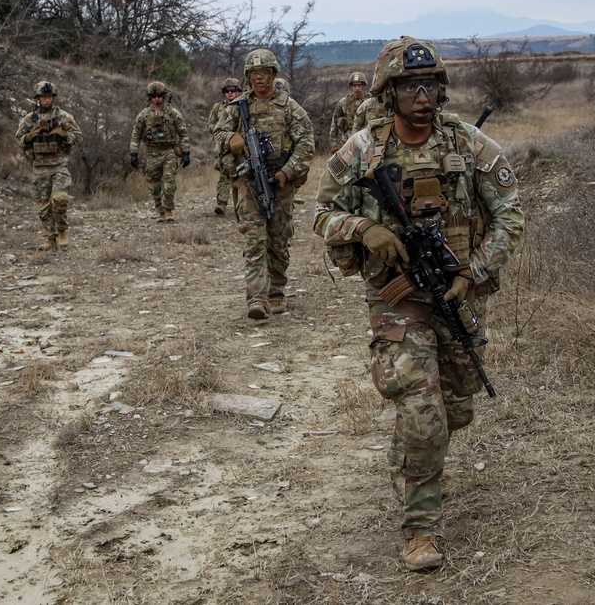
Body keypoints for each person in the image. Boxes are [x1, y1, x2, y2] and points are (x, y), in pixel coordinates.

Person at [313, 37, 523, 571]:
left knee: (456, 409)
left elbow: (509, 215)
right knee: (422, 408)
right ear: (388, 92)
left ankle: (408, 454)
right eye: (411, 87)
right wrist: (364, 229)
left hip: (456, 294)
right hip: (397, 299)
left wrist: (473, 272)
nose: (423, 96)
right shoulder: (362, 149)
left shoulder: (469, 144)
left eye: (431, 86)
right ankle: (420, 530)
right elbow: (321, 216)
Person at [213, 48, 315, 319]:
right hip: (249, 183)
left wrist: (287, 172)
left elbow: (306, 143)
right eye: (254, 74)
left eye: (265, 73)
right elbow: (218, 135)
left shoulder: (289, 107)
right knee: (254, 240)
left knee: (279, 239)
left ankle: (276, 291)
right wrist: (231, 140)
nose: (259, 79)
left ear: (273, 74)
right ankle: (256, 298)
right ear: (248, 76)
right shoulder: (237, 107)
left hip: (280, 183)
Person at [16, 80, 83, 250]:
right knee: (43, 208)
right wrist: (29, 137)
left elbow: (78, 136)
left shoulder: (63, 117)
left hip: (59, 165)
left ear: (53, 97)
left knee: (59, 199)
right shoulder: (29, 120)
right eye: (43, 96)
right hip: (39, 167)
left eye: (49, 96)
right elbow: (19, 139)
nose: (46, 99)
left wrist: (64, 135)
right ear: (38, 98)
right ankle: (50, 239)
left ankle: (62, 232)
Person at [130, 81, 190, 223]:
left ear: (164, 96)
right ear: (150, 97)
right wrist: (133, 153)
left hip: (169, 151)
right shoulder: (144, 115)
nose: (157, 99)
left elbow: (183, 132)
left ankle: (168, 210)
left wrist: (186, 152)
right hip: (152, 153)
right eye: (154, 96)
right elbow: (136, 134)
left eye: (160, 96)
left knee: (169, 180)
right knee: (154, 185)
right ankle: (160, 211)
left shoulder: (173, 113)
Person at [208, 77, 243, 215]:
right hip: (223, 147)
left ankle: (242, 204)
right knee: (224, 174)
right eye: (227, 91)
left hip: (241, 147)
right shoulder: (218, 108)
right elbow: (211, 125)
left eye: (233, 91)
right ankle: (222, 203)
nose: (230, 93)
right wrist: (222, 131)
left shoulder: (242, 106)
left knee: (241, 174)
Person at [328, 70, 368, 153]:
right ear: (351, 86)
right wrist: (333, 144)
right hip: (347, 140)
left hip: (367, 138)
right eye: (354, 85)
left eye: (359, 85)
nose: (357, 88)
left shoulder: (370, 101)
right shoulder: (344, 102)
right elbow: (334, 123)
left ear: (363, 86)